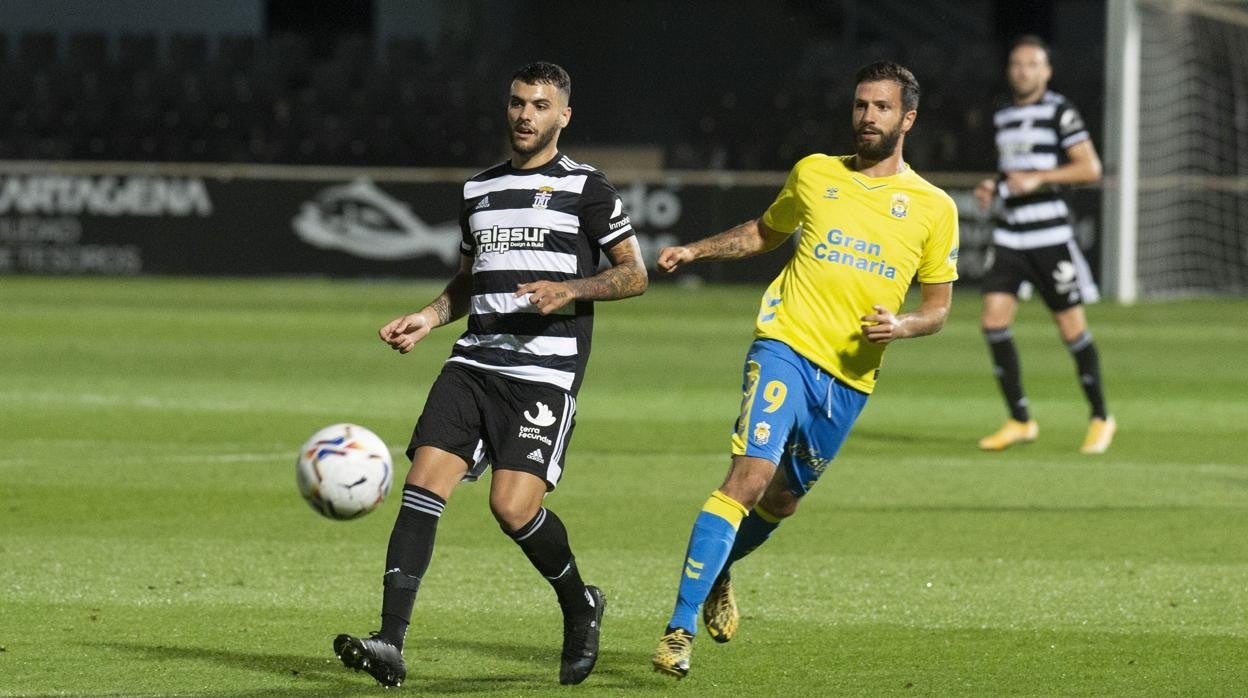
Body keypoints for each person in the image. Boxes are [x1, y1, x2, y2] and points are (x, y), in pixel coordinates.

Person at [333, 61, 647, 688]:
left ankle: (579, 604)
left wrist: (571, 289)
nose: (525, 115)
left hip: (544, 375)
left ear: (564, 115)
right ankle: (390, 642)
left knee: (511, 508)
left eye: (539, 105)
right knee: (424, 480)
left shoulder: (588, 187)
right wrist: (429, 316)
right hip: (474, 362)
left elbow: (634, 274)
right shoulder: (479, 190)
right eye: (517, 103)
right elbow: (471, 281)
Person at [649, 61, 959, 679]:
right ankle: (677, 630)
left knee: (782, 500)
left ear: (908, 119)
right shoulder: (815, 174)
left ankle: (720, 569)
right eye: (860, 105)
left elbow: (938, 311)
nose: (867, 117)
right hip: (784, 346)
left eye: (881, 107)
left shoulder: (932, 207)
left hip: (849, 379)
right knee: (750, 475)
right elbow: (765, 232)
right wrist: (696, 248)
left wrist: (901, 326)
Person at [973, 35, 1115, 454]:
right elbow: (1012, 172)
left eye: (1032, 64)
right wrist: (993, 186)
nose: (1023, 71)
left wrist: (1041, 178)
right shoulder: (1002, 115)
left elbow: (1089, 167)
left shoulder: (1060, 112)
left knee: (1071, 328)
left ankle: (1101, 416)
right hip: (1010, 234)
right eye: (1017, 64)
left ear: (1046, 71)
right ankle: (1020, 420)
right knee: (993, 322)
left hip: (1050, 236)